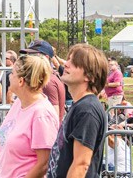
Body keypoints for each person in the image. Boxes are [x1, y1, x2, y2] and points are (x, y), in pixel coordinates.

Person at [46, 43, 108, 178]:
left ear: (90, 76)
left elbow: (81, 164)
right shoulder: (80, 105)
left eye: (73, 62)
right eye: (68, 59)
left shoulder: (87, 109)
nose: (66, 64)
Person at [0, 55, 59, 178]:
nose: (9, 76)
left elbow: (44, 164)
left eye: (12, 73)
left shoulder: (41, 114)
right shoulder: (19, 103)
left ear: (21, 81)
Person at [20, 40, 66, 121]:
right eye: (27, 55)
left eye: (33, 55)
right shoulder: (49, 77)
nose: (28, 59)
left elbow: (52, 117)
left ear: (46, 57)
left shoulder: (47, 81)